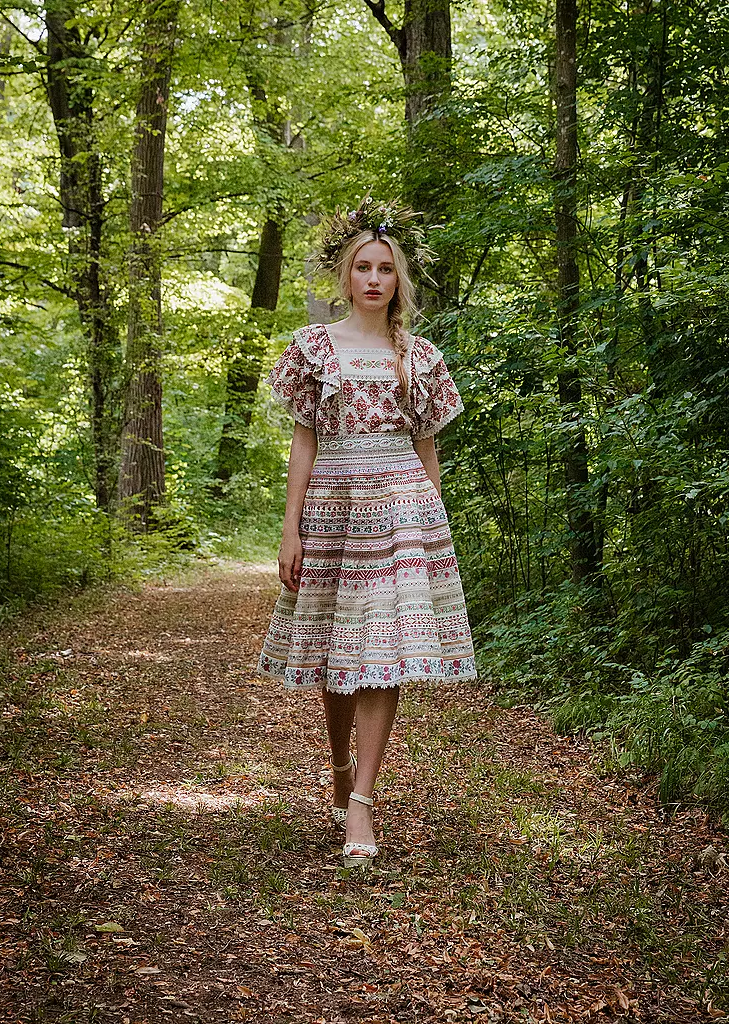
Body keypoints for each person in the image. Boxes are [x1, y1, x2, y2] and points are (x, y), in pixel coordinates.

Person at [256, 197, 477, 868]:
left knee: (383, 653)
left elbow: (429, 449)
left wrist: (427, 535)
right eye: (364, 268)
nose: (375, 279)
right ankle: (338, 764)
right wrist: (290, 529)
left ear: (397, 281)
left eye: (386, 269)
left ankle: (363, 802)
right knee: (337, 652)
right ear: (346, 277)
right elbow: (303, 445)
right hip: (334, 505)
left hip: (403, 508)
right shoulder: (312, 349)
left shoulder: (421, 357)